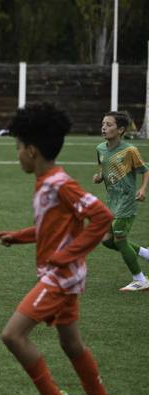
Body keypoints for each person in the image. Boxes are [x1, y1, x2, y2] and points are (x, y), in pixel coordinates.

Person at [0, 102, 124, 395]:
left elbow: (102, 217)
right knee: (71, 343)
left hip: (60, 276)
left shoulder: (60, 183)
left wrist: (67, 256)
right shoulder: (45, 182)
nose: (17, 155)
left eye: (18, 148)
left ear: (31, 151)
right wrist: (17, 237)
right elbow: (49, 227)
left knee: (13, 336)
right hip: (64, 273)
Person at [93, 111, 149, 291]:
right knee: (107, 240)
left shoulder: (130, 150)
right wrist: (99, 177)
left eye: (109, 125)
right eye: (103, 124)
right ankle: (146, 253)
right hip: (112, 202)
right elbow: (104, 168)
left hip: (127, 201)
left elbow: (145, 170)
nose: (104, 127)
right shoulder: (100, 149)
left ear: (121, 129)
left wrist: (142, 189)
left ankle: (140, 280)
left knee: (119, 239)